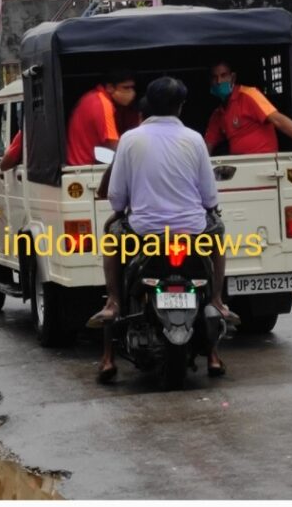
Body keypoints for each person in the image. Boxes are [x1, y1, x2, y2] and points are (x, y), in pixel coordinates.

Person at [88, 76, 233, 382]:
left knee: (110, 233)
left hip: (144, 232)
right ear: (181, 107)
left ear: (147, 106)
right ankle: (217, 300)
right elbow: (210, 197)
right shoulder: (194, 139)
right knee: (218, 233)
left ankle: (113, 303)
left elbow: (116, 199)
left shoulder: (130, 139)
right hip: (192, 231)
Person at [205, 60, 292, 155]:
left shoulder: (249, 95)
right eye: (215, 77)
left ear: (232, 77)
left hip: (265, 166)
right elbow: (207, 146)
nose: (219, 81)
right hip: (238, 171)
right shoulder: (218, 115)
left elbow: (278, 120)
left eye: (223, 76)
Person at [65, 69, 138, 166]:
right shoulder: (102, 103)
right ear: (110, 87)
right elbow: (114, 146)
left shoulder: (93, 98)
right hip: (86, 167)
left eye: (132, 88)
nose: (131, 92)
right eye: (126, 88)